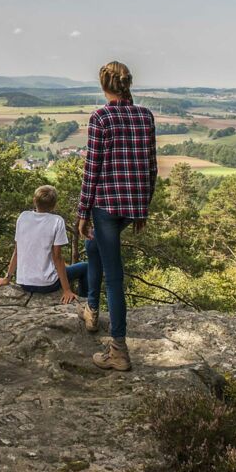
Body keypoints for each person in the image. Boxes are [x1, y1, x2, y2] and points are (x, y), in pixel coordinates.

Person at [76, 61, 156, 372]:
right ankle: (92, 310)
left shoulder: (101, 118)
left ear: (103, 85)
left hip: (106, 205)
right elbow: (151, 166)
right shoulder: (144, 116)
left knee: (115, 277)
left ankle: (118, 349)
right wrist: (143, 207)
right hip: (131, 203)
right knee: (94, 248)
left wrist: (83, 212)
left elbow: (92, 169)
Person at [0, 185, 87, 303]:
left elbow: (17, 251)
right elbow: (57, 257)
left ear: (34, 201)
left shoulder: (23, 216)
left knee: (67, 267)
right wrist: (67, 290)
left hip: (24, 283)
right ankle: (86, 302)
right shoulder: (57, 221)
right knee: (85, 267)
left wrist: (7, 278)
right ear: (54, 205)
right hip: (46, 285)